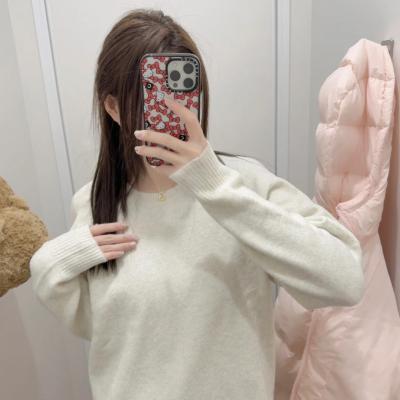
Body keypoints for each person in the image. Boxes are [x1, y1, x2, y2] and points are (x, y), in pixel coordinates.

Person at [29, 8, 364, 400]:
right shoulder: (95, 203)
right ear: (114, 108)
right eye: (151, 96)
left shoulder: (243, 185)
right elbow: (100, 329)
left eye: (182, 92)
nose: (171, 110)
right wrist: (49, 260)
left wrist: (215, 186)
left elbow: (345, 281)